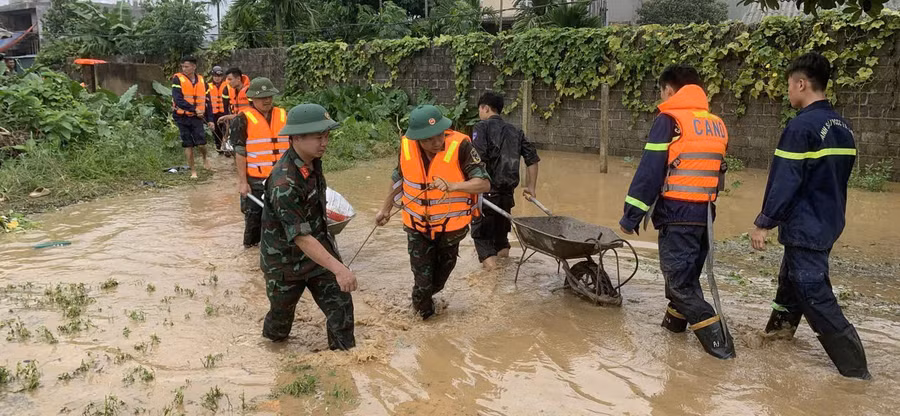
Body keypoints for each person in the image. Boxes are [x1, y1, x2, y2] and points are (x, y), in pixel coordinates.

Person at [750, 52, 870, 379]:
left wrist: (764, 222)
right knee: (791, 284)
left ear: (801, 84)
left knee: (813, 294)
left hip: (805, 225)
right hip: (828, 223)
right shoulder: (842, 126)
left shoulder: (801, 127)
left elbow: (786, 181)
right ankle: (777, 337)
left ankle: (856, 372)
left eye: (789, 85)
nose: (788, 92)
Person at [618, 64, 734, 359]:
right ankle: (672, 333)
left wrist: (631, 215)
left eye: (661, 91)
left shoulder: (670, 120)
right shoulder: (716, 124)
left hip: (678, 216)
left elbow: (650, 170)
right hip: (705, 217)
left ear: (669, 90)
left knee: (680, 287)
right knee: (686, 281)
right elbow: (718, 174)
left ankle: (723, 350)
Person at [375, 105, 491, 320]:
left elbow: (483, 184)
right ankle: (424, 327)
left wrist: (454, 186)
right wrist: (385, 208)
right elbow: (398, 178)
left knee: (438, 281)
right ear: (417, 138)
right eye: (429, 139)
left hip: (450, 230)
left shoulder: (461, 146)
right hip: (417, 226)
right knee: (422, 282)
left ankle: (424, 305)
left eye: (439, 135)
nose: (437, 142)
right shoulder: (407, 147)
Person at [259, 103, 357, 349]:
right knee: (280, 326)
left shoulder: (312, 161)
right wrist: (339, 267)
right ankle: (273, 356)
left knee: (341, 306)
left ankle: (345, 361)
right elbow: (301, 238)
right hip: (284, 263)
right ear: (297, 138)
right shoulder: (284, 182)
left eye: (326, 136)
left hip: (317, 254)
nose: (324, 142)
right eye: (318, 137)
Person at [470, 91, 540, 271]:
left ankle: (494, 286)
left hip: (486, 195)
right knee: (501, 241)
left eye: (480, 109)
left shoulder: (481, 128)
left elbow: (478, 159)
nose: (480, 113)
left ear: (485, 108)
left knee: (483, 240)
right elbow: (532, 159)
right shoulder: (515, 131)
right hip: (507, 196)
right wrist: (531, 187)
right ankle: (504, 276)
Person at [229, 77, 287, 249]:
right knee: (254, 219)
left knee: (284, 217)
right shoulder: (241, 119)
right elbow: (240, 153)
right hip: (256, 180)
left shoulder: (284, 115)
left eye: (269, 96)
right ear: (252, 98)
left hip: (282, 177)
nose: (266, 100)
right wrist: (243, 182)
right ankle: (250, 254)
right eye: (262, 97)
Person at [171, 56, 210, 179]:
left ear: (194, 67)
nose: (184, 69)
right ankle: (193, 171)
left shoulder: (202, 80)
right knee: (188, 144)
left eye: (187, 66)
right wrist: (194, 109)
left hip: (197, 117)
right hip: (182, 117)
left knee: (201, 143)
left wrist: (209, 119)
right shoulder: (177, 79)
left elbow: (207, 101)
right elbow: (178, 99)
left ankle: (205, 159)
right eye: (183, 66)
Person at [206, 66, 231, 153]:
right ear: (212, 76)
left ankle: (226, 146)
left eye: (219, 76)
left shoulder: (227, 85)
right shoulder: (208, 86)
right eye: (215, 76)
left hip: (225, 112)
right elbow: (206, 102)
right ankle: (218, 146)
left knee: (226, 130)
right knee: (216, 131)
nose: (217, 78)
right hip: (213, 112)